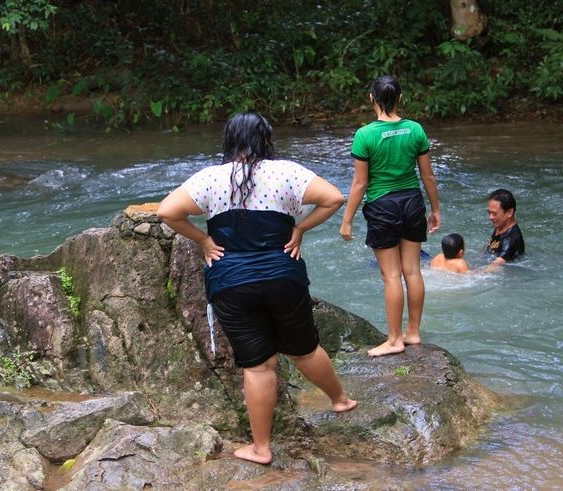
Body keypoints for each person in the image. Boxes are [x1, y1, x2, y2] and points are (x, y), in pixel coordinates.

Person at [157, 111, 356, 466]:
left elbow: (167, 211)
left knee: (259, 366)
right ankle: (339, 400)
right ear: (266, 139)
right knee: (305, 350)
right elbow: (334, 198)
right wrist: (300, 230)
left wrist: (204, 240)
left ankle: (261, 448)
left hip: (231, 281)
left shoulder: (210, 178)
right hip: (283, 275)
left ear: (229, 140)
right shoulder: (287, 172)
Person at [340, 75, 441, 357]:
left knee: (392, 276)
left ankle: (394, 339)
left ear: (371, 99)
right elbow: (428, 176)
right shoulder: (415, 130)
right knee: (413, 270)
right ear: (400, 98)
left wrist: (347, 219)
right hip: (411, 202)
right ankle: (413, 331)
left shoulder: (365, 135)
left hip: (383, 206)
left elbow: (360, 183)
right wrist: (435, 209)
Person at [485, 188, 525, 269]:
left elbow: (494, 267)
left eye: (494, 213)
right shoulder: (500, 225)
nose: (490, 217)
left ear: (509, 212)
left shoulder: (512, 239)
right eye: (489, 212)